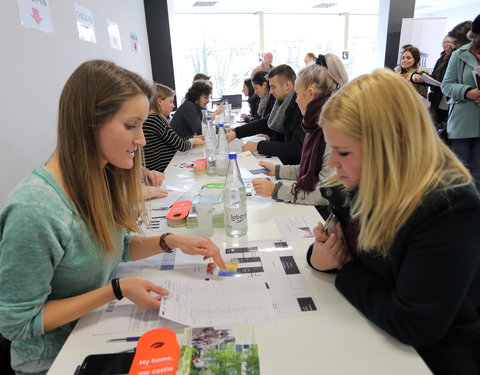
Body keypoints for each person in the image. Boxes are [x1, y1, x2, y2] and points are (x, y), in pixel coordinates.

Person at [0, 60, 226, 375]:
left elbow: (115, 246)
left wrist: (170, 241)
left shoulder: (100, 178)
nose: (142, 140)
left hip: (95, 333)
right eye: (130, 126)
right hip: (56, 361)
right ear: (89, 124)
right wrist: (115, 290)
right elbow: (18, 323)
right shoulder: (34, 209)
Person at [308, 69, 480, 374]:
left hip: (429, 358)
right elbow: (334, 245)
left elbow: (414, 324)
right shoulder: (360, 180)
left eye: (343, 151)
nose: (332, 161)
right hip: (374, 334)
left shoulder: (449, 204)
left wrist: (345, 267)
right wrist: (320, 253)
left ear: (388, 147)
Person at [252, 54, 348, 215]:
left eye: (297, 94)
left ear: (310, 93)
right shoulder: (318, 127)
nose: (295, 101)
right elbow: (311, 169)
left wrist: (277, 190)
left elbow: (325, 194)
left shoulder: (332, 132)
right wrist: (278, 170)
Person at [227, 64, 305, 165]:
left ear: (287, 85)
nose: (271, 92)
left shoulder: (300, 107)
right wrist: (236, 132)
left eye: (273, 87)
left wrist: (259, 146)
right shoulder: (282, 103)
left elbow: (295, 148)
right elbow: (265, 123)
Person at [442, 14, 480, 192]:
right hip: (463, 123)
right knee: (459, 174)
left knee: (479, 175)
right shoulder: (459, 54)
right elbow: (446, 85)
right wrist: (468, 92)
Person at [143, 83, 204, 173]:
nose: (173, 106)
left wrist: (192, 138)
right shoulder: (156, 119)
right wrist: (193, 141)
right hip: (160, 172)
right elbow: (182, 146)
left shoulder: (150, 118)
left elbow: (172, 141)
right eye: (171, 102)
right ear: (159, 101)